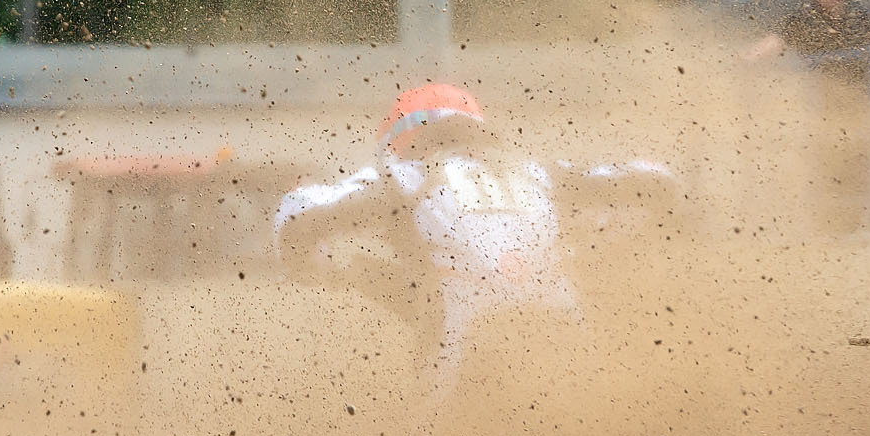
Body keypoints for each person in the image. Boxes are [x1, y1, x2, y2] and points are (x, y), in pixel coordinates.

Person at [274, 84, 673, 389]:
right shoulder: (539, 172)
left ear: (399, 140)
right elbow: (655, 180)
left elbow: (296, 215)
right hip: (563, 336)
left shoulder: (402, 177)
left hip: (461, 348)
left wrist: (317, 269)